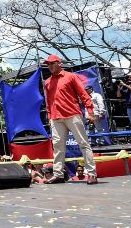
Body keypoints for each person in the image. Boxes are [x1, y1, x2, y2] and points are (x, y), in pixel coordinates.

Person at [42, 55, 99, 185]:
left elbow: (83, 94)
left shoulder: (70, 76)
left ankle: (91, 174)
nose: (49, 66)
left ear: (59, 63)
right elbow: (48, 101)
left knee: (83, 144)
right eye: (48, 64)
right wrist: (50, 116)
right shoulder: (47, 82)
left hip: (73, 114)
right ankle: (58, 175)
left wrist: (90, 112)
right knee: (57, 147)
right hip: (56, 117)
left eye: (52, 63)